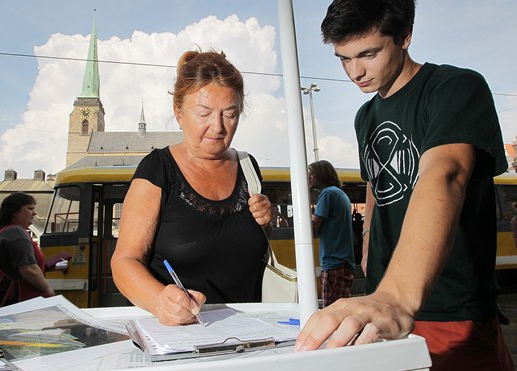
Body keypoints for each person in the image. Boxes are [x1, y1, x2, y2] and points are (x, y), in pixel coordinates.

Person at [295, 1, 514, 370]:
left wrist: (397, 296)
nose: (355, 72)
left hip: (448, 305)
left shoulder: (455, 87)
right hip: (382, 303)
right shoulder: (365, 116)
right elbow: (375, 183)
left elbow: (444, 173)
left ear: (405, 36)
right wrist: (367, 242)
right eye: (343, 59)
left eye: (368, 54)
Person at [111, 49, 271, 326]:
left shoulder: (249, 167)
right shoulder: (157, 169)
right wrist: (159, 300)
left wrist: (266, 222)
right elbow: (124, 262)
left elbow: (247, 248)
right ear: (179, 112)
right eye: (203, 113)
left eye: (230, 114)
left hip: (248, 335)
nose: (217, 127)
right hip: (179, 337)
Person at [0, 192, 57, 310]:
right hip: (12, 300)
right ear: (14, 211)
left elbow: (13, 265)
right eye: (30, 209)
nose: (34, 213)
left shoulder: (5, 231)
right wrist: (48, 290)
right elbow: (28, 269)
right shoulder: (16, 232)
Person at [308, 160, 355, 307]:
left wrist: (305, 195)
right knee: (341, 308)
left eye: (311, 175)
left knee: (331, 309)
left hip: (333, 260)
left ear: (321, 175)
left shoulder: (327, 194)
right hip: (344, 261)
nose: (309, 178)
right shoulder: (340, 194)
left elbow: (313, 226)